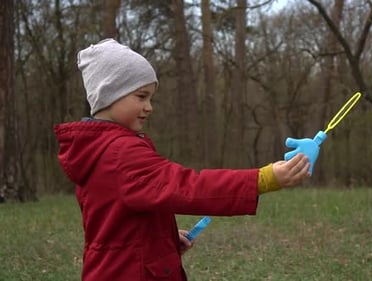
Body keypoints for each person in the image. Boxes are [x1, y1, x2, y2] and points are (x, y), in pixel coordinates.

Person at [54, 39, 310, 281]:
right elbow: (186, 187)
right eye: (141, 97)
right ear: (109, 95)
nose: (149, 107)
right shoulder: (120, 153)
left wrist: (160, 239)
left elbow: (119, 221)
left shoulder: (98, 149)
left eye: (150, 98)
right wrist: (263, 179)